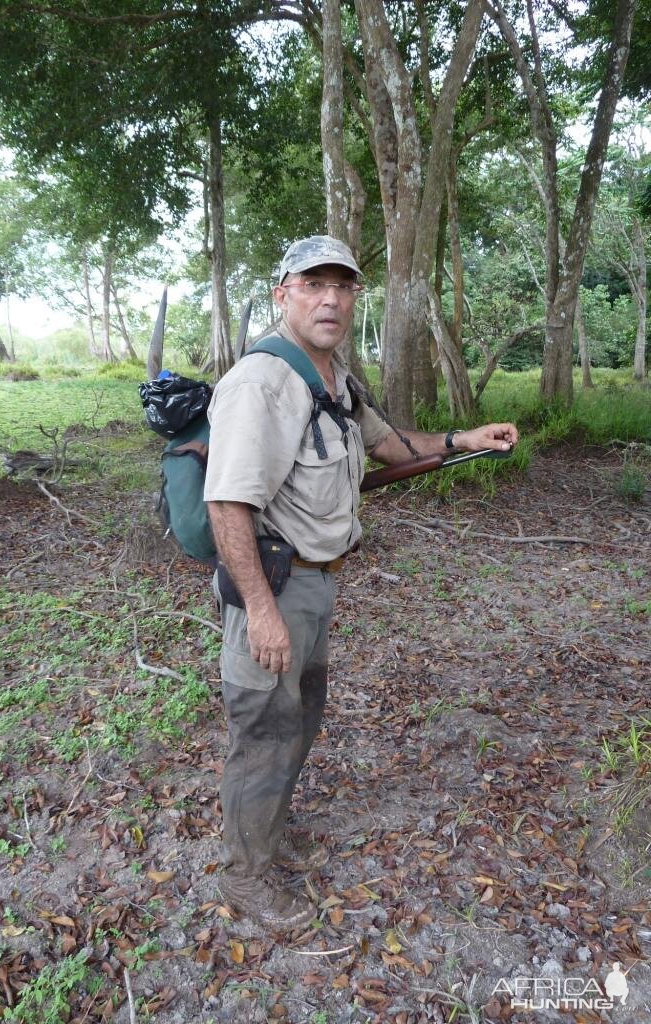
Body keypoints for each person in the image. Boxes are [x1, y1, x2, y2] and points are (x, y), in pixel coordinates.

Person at [203, 235, 518, 931]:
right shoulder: (261, 382)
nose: (330, 299)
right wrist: (261, 610)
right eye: (313, 284)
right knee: (264, 731)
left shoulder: (334, 379)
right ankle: (245, 878)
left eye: (342, 287)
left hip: (316, 587)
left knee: (297, 721)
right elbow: (227, 504)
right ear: (283, 293)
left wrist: (466, 439)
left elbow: (388, 446)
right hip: (274, 588)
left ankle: (265, 836)